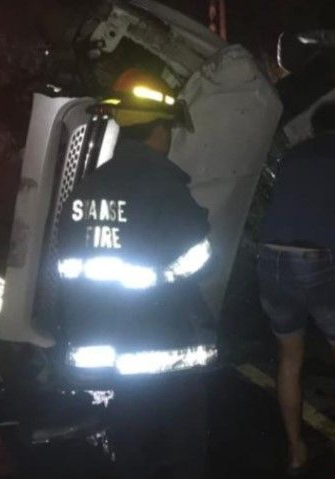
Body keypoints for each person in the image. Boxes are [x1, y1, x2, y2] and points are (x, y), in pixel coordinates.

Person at [55, 69, 215, 478]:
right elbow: (198, 253)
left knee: (127, 444)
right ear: (159, 131)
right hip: (161, 340)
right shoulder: (165, 186)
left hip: (104, 340)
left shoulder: (88, 187)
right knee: (183, 445)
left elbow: (70, 261)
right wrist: (169, 278)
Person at [257, 100, 335, 478]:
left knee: (289, 359)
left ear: (314, 129)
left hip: (269, 259)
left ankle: (296, 452)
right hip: (318, 261)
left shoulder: (293, 155)